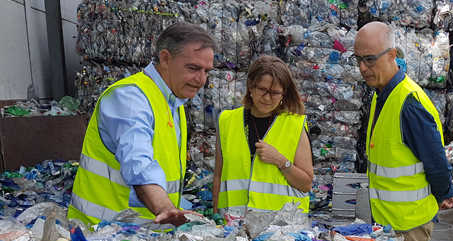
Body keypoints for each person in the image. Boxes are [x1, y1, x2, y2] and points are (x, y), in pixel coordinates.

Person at [68, 22, 215, 228]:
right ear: (165, 58)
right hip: (101, 235)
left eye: (207, 71)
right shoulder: (130, 98)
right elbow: (138, 160)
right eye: (193, 68)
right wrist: (164, 207)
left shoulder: (174, 103)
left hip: (144, 235)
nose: (201, 80)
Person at [355, 21, 453, 241]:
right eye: (357, 59)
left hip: (409, 225)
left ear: (391, 55)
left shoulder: (409, 103)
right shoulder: (380, 95)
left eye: (369, 59)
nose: (362, 67)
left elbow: (435, 160)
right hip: (388, 221)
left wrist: (445, 193)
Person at [212, 55, 313, 217]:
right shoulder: (227, 121)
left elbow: (306, 184)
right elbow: (218, 175)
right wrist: (215, 215)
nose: (267, 98)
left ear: (283, 94)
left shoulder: (294, 125)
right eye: (262, 90)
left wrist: (280, 161)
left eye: (274, 92)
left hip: (279, 230)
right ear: (251, 87)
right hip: (233, 225)